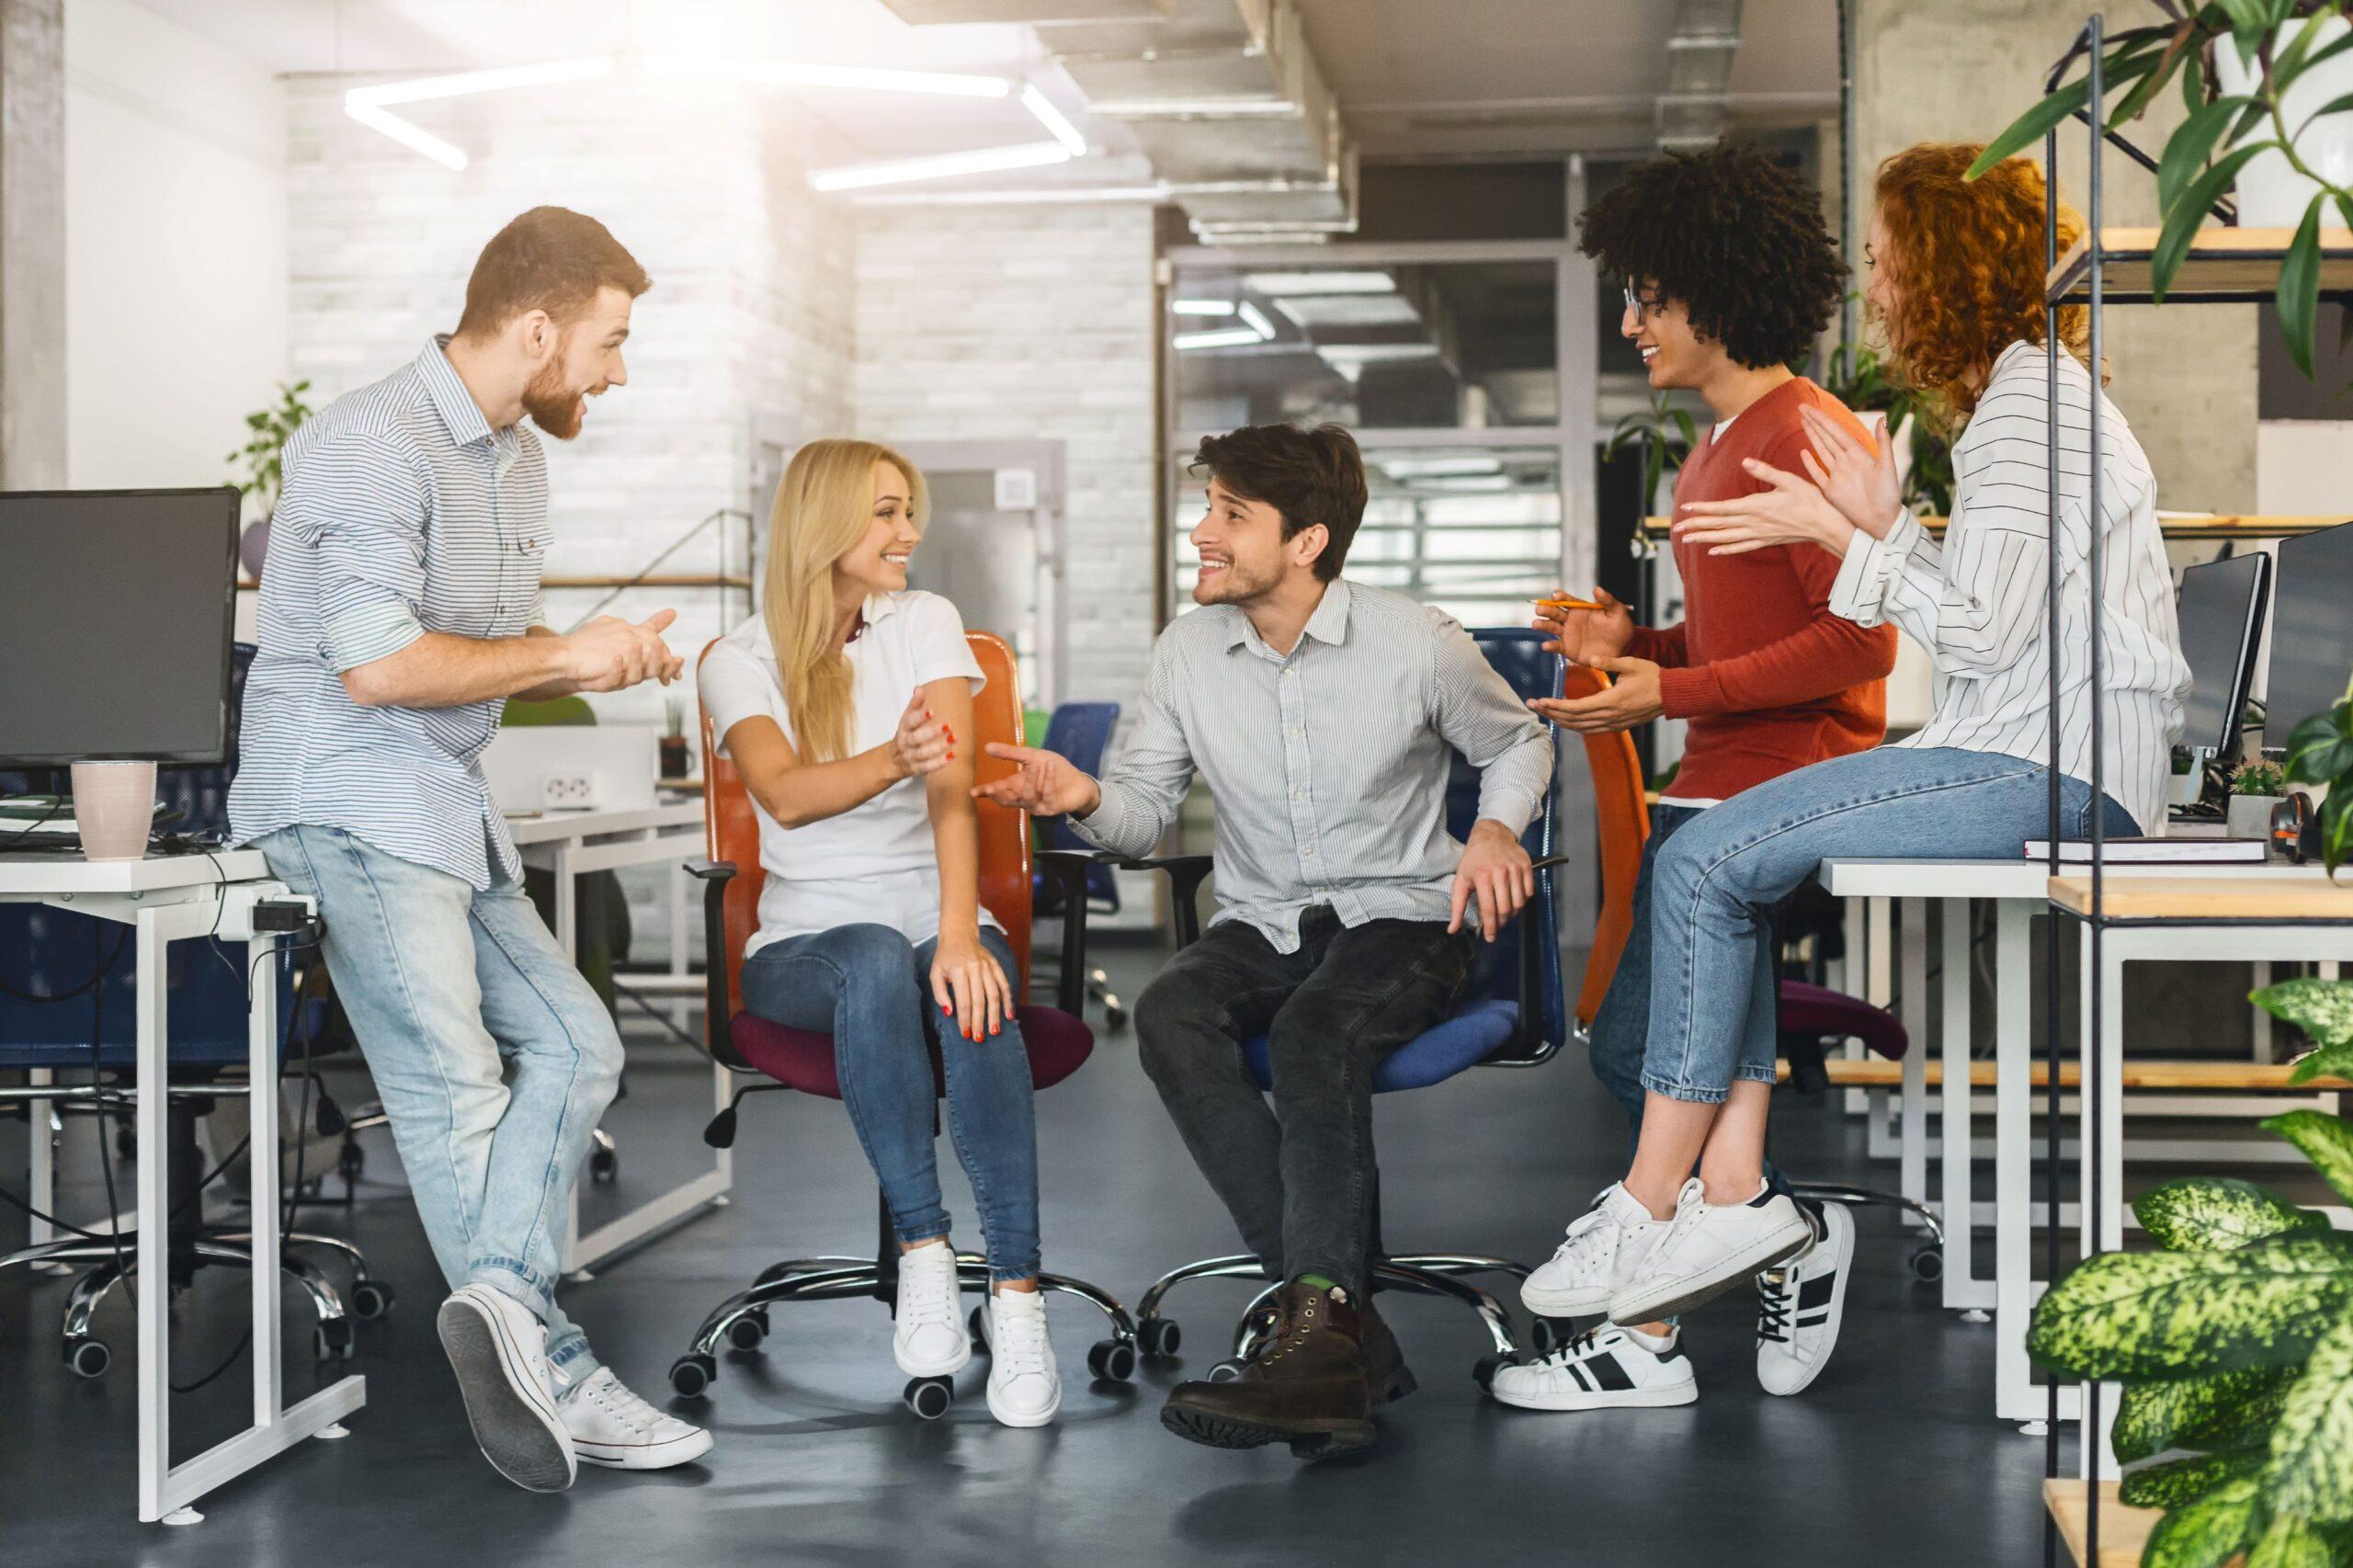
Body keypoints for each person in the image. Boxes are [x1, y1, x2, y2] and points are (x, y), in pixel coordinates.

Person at [1537, 142, 2188, 1351]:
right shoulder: (2017, 403)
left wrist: (1861, 540)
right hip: (2035, 744)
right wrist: (1881, 533)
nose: (1877, 290)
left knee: (1702, 868)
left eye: (1891, 262)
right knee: (1707, 872)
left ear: (1945, 266)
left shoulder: (2026, 410)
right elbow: (1997, 617)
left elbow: (1977, 634)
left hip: (2047, 760)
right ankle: (1717, 1198)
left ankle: (1661, 1208)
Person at [229, 207, 711, 1492]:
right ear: (537, 326)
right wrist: (574, 652)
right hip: (343, 798)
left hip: (443, 803)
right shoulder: (363, 445)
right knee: (455, 1088)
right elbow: (381, 663)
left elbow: (471, 655)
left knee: (578, 1041)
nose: (616, 371)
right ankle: (557, 1366)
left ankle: (504, 1305)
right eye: (608, 342)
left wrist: (602, 643)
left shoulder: (515, 458)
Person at [975, 422, 1552, 1458]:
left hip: (1406, 918)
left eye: (1230, 514)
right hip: (1265, 918)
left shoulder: (1415, 639)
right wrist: (1083, 795)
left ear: (1306, 540)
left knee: (1316, 1032)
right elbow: (1144, 810)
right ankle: (1333, 1325)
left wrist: (1498, 825)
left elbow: (1516, 740)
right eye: (1208, 506)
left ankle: (1315, 1329)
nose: (1201, 530)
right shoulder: (1186, 651)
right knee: (1168, 1010)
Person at [1495, 146, 1898, 1414]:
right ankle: (1752, 1220)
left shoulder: (1808, 437)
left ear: (1718, 294)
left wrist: (1666, 689)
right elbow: (1734, 646)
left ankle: (1677, 1301)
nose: (1631, 326)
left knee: (1650, 1040)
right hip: (1719, 773)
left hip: (1781, 780)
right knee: (1647, 1045)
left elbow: (1859, 645)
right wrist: (1640, 647)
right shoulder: (1718, 447)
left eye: (1648, 301)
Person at [697, 438, 1062, 1428]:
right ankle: (926, 1249)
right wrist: (887, 757)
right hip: (802, 949)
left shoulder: (928, 621)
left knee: (963, 982)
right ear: (825, 527)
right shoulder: (739, 656)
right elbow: (783, 791)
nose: (912, 532)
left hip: (931, 911)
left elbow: (953, 792)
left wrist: (957, 932)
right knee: (863, 953)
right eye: (889, 513)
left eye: (911, 511)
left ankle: (1019, 1298)